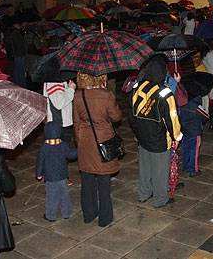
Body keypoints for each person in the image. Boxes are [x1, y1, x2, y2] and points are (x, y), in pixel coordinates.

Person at [129, 54, 183, 208]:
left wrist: (137, 131)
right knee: (160, 170)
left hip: (142, 135)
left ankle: (144, 194)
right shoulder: (165, 93)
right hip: (160, 138)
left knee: (145, 168)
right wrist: (176, 137)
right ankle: (160, 199)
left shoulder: (138, 88)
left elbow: (131, 113)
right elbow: (172, 119)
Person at [72, 73, 122, 227]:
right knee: (104, 180)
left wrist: (79, 142)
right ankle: (105, 217)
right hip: (103, 139)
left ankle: (89, 214)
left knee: (87, 179)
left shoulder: (78, 95)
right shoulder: (106, 95)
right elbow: (116, 117)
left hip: (85, 140)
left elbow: (76, 122)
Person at [36, 120, 78, 222]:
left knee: (51, 197)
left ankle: (50, 216)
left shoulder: (44, 147)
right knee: (64, 195)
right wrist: (79, 149)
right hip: (62, 176)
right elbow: (71, 155)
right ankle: (66, 213)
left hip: (50, 177)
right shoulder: (64, 145)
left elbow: (40, 162)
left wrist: (39, 174)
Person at [178, 95, 209, 177]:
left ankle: (186, 167)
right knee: (194, 151)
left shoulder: (181, 104)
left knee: (185, 150)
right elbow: (205, 116)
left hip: (184, 130)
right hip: (195, 132)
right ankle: (193, 170)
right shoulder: (196, 107)